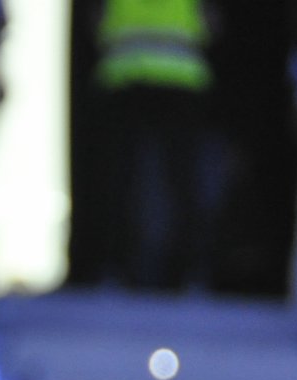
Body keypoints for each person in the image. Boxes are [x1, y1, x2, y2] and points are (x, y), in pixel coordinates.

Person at [88, 0, 218, 291]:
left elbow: (96, 20)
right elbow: (212, 22)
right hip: (176, 80)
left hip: (129, 78)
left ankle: (115, 271)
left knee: (125, 181)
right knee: (175, 182)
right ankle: (190, 276)